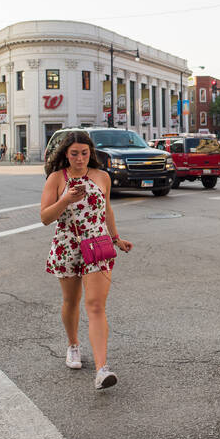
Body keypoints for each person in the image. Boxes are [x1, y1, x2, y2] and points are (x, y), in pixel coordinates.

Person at [40, 131, 133, 390]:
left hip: (98, 244)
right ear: (65, 155)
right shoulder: (57, 179)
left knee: (95, 305)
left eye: (84, 153)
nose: (80, 158)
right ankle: (73, 345)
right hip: (67, 245)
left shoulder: (102, 177)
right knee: (72, 301)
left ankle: (102, 369)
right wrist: (65, 199)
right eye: (74, 154)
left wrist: (116, 239)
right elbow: (45, 217)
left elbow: (107, 210)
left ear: (90, 153)